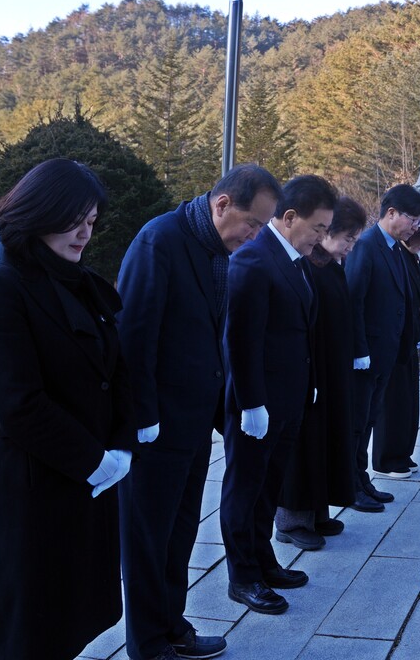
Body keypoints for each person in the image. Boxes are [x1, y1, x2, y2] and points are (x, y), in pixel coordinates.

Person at [0, 159, 133, 660]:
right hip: (33, 491)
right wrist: (97, 461)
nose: (85, 233)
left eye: (92, 221)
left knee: (71, 617)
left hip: (85, 484)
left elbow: (114, 369)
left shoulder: (80, 283)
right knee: (29, 630)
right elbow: (19, 404)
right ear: (39, 213)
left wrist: (121, 442)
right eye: (73, 219)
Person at [117, 164, 281, 660]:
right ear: (222, 204)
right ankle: (148, 643)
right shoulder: (158, 242)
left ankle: (172, 625)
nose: (255, 236)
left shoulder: (218, 249)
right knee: (148, 539)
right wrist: (142, 417)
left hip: (191, 424)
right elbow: (133, 336)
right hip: (155, 427)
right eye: (253, 224)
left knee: (179, 532)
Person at [220, 175, 337, 615]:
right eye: (318, 229)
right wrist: (250, 402)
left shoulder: (293, 260)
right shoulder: (253, 259)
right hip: (259, 404)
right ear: (289, 218)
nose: (322, 238)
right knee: (244, 488)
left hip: (288, 401)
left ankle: (263, 559)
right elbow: (241, 339)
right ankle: (242, 576)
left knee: (268, 488)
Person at [276, 196, 367, 544]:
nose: (349, 246)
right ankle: (292, 520)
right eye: (347, 238)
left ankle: (316, 512)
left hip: (333, 369)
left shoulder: (329, 266)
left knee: (327, 439)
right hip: (311, 369)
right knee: (304, 444)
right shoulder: (307, 268)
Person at [345, 184, 420, 511]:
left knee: (367, 421)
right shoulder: (366, 246)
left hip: (386, 355)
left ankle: (362, 479)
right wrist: (358, 350)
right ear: (391, 212)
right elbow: (353, 300)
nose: (416, 226)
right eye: (412, 218)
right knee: (357, 423)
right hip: (366, 357)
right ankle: (351, 485)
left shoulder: (394, 247)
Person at [373, 211, 420, 478]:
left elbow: (417, 300)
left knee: (408, 400)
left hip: (408, 338)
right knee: (392, 401)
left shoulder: (410, 256)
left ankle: (402, 453)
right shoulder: (392, 254)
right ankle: (387, 458)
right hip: (394, 338)